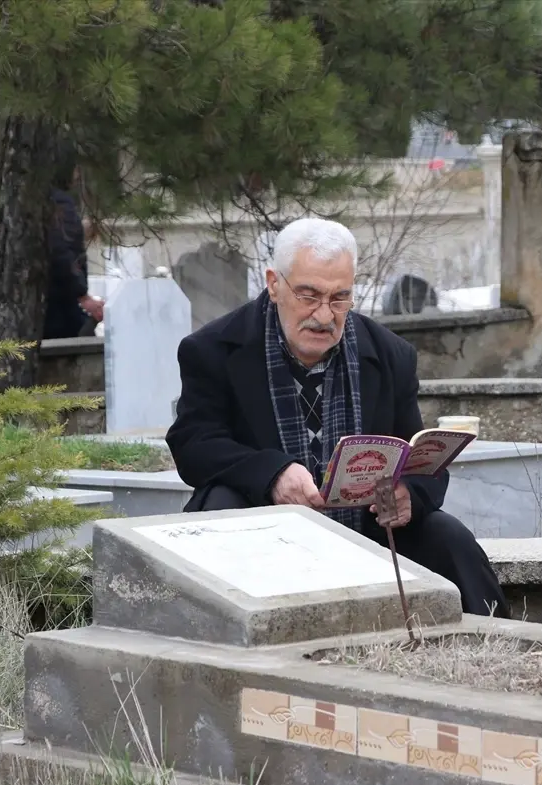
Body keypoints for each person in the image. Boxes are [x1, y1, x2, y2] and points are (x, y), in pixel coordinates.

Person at [165, 218, 510, 618]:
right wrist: (273, 474)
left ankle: (499, 643)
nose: (325, 315)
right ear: (274, 284)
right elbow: (193, 445)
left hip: (368, 532)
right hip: (262, 531)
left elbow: (419, 459)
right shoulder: (213, 350)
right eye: (309, 296)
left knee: (448, 536)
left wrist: (407, 496)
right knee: (220, 507)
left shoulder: (390, 354)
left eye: (340, 298)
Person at [44, 151, 104, 340]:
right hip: (61, 309)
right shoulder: (60, 202)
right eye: (75, 169)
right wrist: (82, 295)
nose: (77, 176)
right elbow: (61, 252)